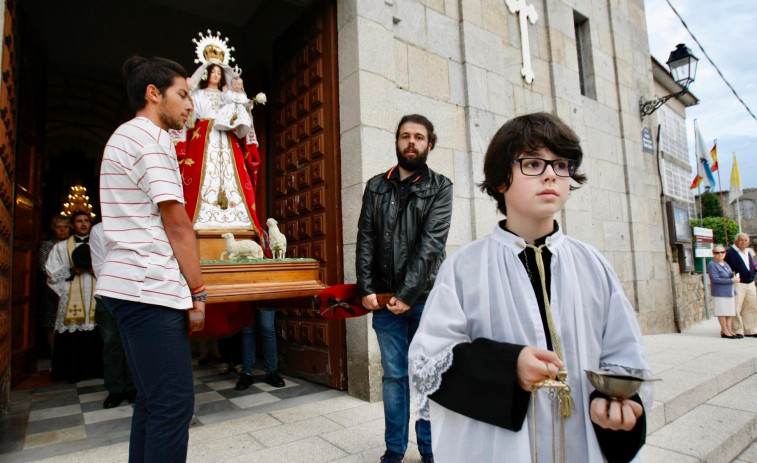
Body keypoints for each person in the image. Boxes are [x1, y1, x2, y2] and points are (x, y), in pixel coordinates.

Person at [408, 113, 652, 463]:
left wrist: (613, 405)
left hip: (581, 442)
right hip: (499, 449)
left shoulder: (594, 265)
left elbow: (623, 352)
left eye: (561, 165)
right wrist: (508, 366)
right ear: (501, 180)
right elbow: (427, 362)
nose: (552, 174)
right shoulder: (464, 267)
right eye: (534, 163)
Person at [95, 55, 204, 462]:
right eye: (183, 94)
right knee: (174, 405)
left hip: (130, 285)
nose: (190, 105)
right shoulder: (149, 140)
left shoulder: (128, 136)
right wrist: (199, 291)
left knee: (154, 401)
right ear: (153, 93)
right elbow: (178, 226)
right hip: (148, 287)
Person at [356, 114, 453, 463]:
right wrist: (366, 287)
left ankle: (429, 451)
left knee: (427, 376)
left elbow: (431, 245)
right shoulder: (376, 186)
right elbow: (365, 238)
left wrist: (407, 294)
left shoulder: (441, 187)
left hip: (426, 300)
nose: (411, 142)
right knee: (394, 376)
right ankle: (394, 451)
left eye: (419, 137)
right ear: (396, 141)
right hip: (383, 300)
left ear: (430, 144)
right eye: (405, 136)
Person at [172, 61, 268, 239]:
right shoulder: (198, 94)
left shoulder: (227, 95)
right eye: (213, 72)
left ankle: (236, 217)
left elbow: (237, 111)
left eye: (218, 72)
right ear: (206, 74)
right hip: (204, 137)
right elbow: (190, 120)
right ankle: (200, 217)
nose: (216, 75)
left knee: (232, 175)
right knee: (202, 172)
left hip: (226, 138)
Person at [46, 210, 102, 383]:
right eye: (79, 221)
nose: (83, 224)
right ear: (73, 225)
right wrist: (70, 271)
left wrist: (95, 270)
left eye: (86, 220)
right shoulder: (60, 248)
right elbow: (51, 272)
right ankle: (72, 372)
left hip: (94, 293)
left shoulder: (98, 245)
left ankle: (98, 370)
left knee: (97, 329)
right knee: (72, 332)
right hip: (72, 294)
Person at [90, 222, 137, 408]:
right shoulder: (98, 230)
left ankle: (134, 386)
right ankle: (115, 389)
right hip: (108, 295)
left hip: (135, 294)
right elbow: (99, 265)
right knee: (112, 343)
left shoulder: (134, 225)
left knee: (133, 342)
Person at [38, 216, 71, 356]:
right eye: (59, 227)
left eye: (65, 227)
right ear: (53, 229)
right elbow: (43, 267)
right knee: (52, 325)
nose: (62, 230)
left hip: (72, 288)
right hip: (52, 290)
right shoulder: (47, 246)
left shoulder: (73, 244)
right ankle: (54, 358)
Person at [235, 306, 285, 390]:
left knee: (268, 328)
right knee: (247, 331)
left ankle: (271, 371)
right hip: (246, 295)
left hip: (265, 294)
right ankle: (247, 373)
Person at [724, 233, 757, 337]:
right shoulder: (729, 252)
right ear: (736, 241)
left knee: (751, 307)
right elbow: (725, 266)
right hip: (738, 283)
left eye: (746, 240)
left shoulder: (748, 252)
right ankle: (737, 330)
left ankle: (750, 330)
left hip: (750, 283)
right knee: (736, 307)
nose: (743, 242)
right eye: (741, 240)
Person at [708, 244, 740, 339]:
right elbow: (715, 279)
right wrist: (731, 280)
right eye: (717, 253)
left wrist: (734, 279)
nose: (720, 254)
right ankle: (725, 330)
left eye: (722, 252)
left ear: (725, 253)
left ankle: (729, 329)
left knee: (729, 312)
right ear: (713, 254)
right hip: (720, 292)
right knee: (722, 312)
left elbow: (730, 275)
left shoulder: (725, 264)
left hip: (729, 291)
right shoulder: (712, 264)